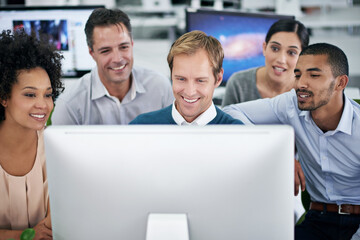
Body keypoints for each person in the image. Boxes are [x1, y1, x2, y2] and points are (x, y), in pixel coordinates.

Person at [223, 43, 360, 240]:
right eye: (297, 75)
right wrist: (279, 154)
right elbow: (231, 112)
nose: (300, 84)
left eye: (313, 75)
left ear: (340, 83)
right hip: (317, 221)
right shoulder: (290, 104)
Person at [51, 8, 173, 125]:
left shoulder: (161, 89)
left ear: (132, 44)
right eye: (105, 51)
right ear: (92, 53)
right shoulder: (69, 105)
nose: (117, 59)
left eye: (124, 47)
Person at [0, 30, 64, 239]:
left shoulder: (57, 149)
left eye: (48, 94)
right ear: (4, 97)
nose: (43, 105)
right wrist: (26, 235)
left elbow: (53, 228)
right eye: (30, 94)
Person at [130, 30, 242, 125]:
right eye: (181, 79)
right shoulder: (141, 127)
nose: (190, 92)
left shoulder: (239, 135)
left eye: (200, 81)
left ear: (218, 79)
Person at [222, 19, 309, 107]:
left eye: (292, 53)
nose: (281, 60)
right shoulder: (239, 84)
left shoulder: (308, 91)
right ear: (264, 48)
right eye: (275, 48)